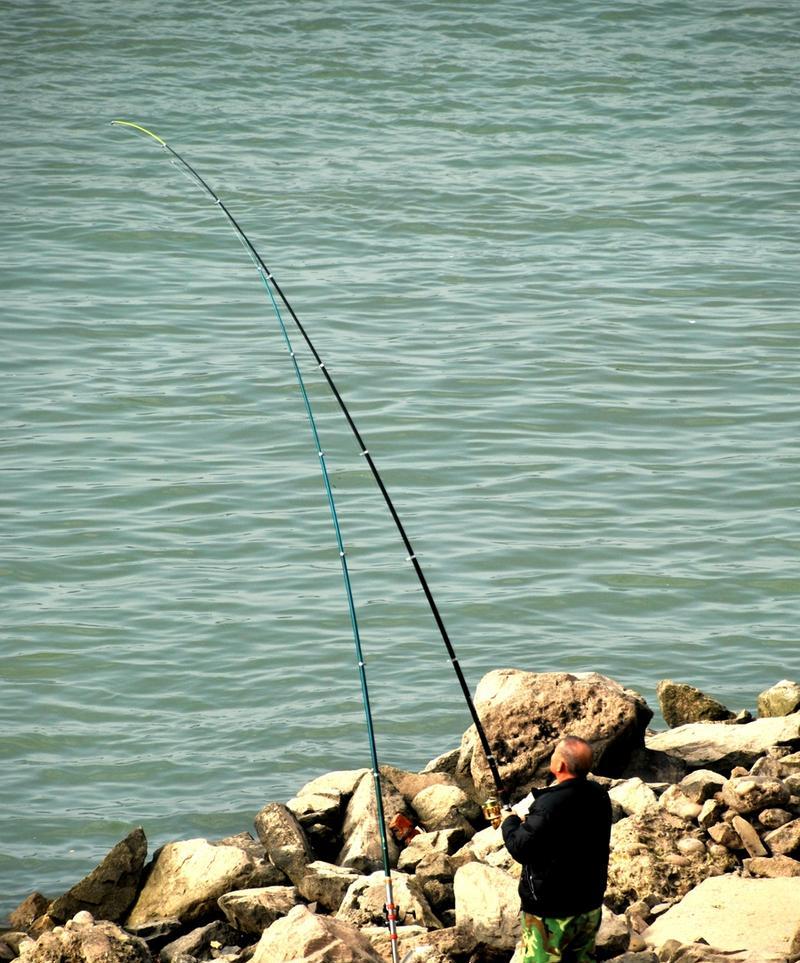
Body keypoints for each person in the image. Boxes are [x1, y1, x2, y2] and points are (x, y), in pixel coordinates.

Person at [501, 735, 612, 963]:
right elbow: (566, 832)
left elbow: (521, 849)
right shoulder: (599, 795)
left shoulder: (549, 804)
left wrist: (509, 822)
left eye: (554, 754)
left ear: (560, 765)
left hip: (551, 910)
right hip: (589, 902)